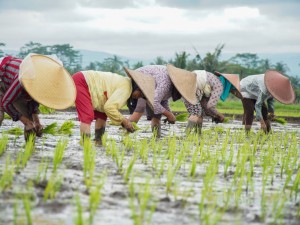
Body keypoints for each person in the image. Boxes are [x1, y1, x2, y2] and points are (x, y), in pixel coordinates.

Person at [0, 54, 76, 140]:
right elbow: (5, 103)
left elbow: (34, 99)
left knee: (29, 120)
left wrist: (36, 122)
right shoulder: (22, 78)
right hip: (2, 80)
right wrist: (25, 121)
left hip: (14, 86)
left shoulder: (41, 82)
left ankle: (30, 148)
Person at [167, 64, 242, 134]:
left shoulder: (212, 81)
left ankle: (198, 133)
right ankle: (186, 134)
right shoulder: (219, 85)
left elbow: (204, 105)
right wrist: (220, 115)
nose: (230, 92)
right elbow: (210, 106)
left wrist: (214, 115)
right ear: (229, 86)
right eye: (231, 90)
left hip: (185, 85)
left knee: (199, 112)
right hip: (192, 86)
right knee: (196, 113)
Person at [72, 70, 135, 146]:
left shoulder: (126, 83)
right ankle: (85, 146)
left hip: (98, 92)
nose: (140, 97)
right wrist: (124, 121)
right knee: (87, 115)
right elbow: (109, 107)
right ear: (137, 88)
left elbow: (107, 108)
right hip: (82, 81)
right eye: (141, 94)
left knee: (102, 115)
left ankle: (98, 142)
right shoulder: (126, 89)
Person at [124, 65, 181, 138]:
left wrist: (169, 114)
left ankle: (156, 138)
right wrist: (169, 115)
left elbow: (163, 101)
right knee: (139, 110)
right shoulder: (164, 84)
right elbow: (155, 103)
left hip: (151, 86)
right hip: (142, 80)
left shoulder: (168, 86)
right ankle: (125, 135)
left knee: (157, 115)